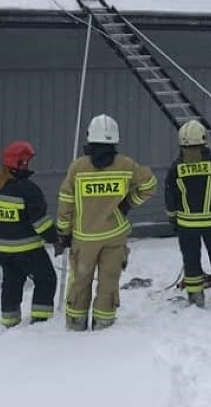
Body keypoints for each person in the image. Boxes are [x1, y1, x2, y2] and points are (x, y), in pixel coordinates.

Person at [57, 114, 157, 330]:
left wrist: (64, 232)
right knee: (109, 281)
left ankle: (76, 323)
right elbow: (149, 184)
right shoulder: (126, 164)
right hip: (114, 235)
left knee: (80, 281)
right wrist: (129, 203)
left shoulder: (78, 167)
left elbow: (66, 201)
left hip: (84, 239)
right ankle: (104, 323)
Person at [0, 141, 57, 327]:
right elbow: (40, 222)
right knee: (46, 279)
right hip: (29, 249)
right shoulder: (28, 189)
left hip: (5, 250)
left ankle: (10, 320)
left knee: (12, 284)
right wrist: (56, 239)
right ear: (19, 163)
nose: (28, 165)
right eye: (25, 162)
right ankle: (41, 322)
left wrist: (1, 236)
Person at [164, 120, 211, 307]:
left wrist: (173, 219)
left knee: (191, 262)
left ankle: (196, 299)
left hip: (187, 226)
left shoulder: (175, 167)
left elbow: (170, 196)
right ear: (204, 140)